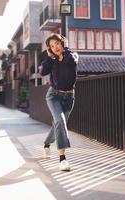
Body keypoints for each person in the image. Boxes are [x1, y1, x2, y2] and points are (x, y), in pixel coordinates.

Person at [39, 33, 78, 171]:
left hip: (69, 97)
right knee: (60, 122)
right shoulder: (53, 61)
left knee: (58, 124)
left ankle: (46, 144)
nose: (55, 47)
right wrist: (49, 57)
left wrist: (66, 49)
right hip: (53, 96)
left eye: (57, 43)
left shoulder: (72, 55)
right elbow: (42, 72)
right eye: (52, 46)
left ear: (62, 43)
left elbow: (71, 62)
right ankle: (62, 160)